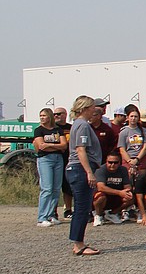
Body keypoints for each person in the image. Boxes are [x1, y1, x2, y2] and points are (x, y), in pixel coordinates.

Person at [65, 96, 105, 256]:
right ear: (84, 109)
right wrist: (89, 172)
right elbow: (80, 149)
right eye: (91, 107)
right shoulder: (82, 125)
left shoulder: (79, 125)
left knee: (82, 207)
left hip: (78, 169)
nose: (94, 110)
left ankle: (78, 242)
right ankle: (78, 244)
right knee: (82, 208)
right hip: (80, 169)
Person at [33, 108, 68, 227]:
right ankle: (41, 217)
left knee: (56, 188)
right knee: (47, 188)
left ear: (49, 117)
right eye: (40, 115)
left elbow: (64, 145)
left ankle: (51, 214)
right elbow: (41, 146)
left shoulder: (57, 130)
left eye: (44, 115)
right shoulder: (39, 130)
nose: (42, 118)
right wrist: (55, 146)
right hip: (45, 159)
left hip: (58, 159)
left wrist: (49, 145)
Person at [93, 152, 134, 225]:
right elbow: (101, 187)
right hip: (104, 196)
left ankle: (112, 213)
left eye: (115, 162)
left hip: (116, 197)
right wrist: (119, 192)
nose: (112, 165)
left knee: (130, 197)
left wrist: (127, 191)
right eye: (110, 162)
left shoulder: (123, 170)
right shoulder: (101, 170)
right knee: (100, 196)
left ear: (119, 163)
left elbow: (127, 186)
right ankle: (98, 215)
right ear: (106, 162)